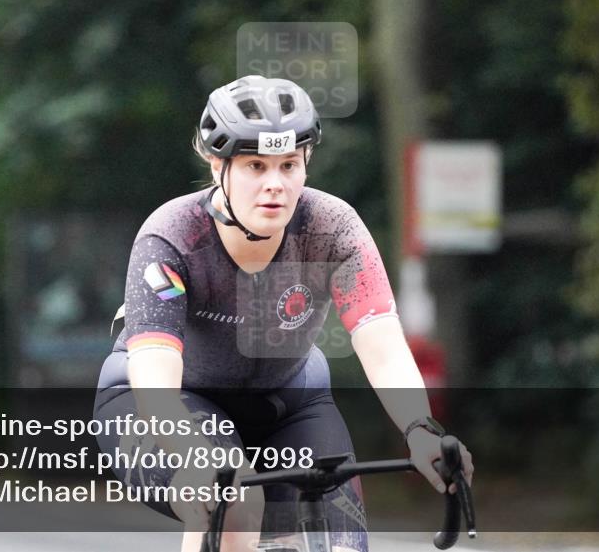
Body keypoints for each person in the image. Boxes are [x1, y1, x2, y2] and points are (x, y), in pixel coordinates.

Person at [93, 75, 473, 552]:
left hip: (287, 400)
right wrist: (192, 454)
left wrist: (421, 430)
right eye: (255, 165)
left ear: (306, 164)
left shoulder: (333, 228)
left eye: (289, 164)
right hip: (163, 402)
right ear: (217, 166)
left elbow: (382, 343)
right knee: (232, 500)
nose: (275, 185)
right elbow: (155, 380)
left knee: (341, 543)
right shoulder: (172, 235)